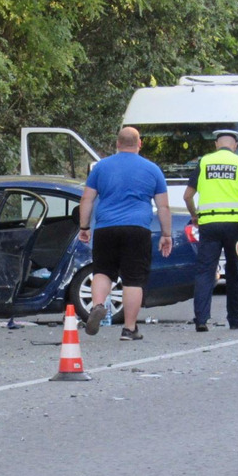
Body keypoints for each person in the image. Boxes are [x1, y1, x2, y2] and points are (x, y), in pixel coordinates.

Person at [77, 126, 173, 341]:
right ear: (139, 144)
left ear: (117, 144)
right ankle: (129, 329)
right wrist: (166, 234)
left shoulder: (101, 168)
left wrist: (84, 227)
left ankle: (99, 305)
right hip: (137, 229)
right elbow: (163, 207)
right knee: (133, 279)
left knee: (102, 271)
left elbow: (87, 199)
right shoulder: (152, 169)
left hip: (105, 228)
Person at [182, 129, 238, 332]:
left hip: (209, 226)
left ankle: (201, 319)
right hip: (234, 226)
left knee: (205, 271)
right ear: (235, 146)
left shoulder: (204, 162)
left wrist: (194, 216)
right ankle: (235, 319)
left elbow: (187, 195)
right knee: (233, 271)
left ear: (216, 144)